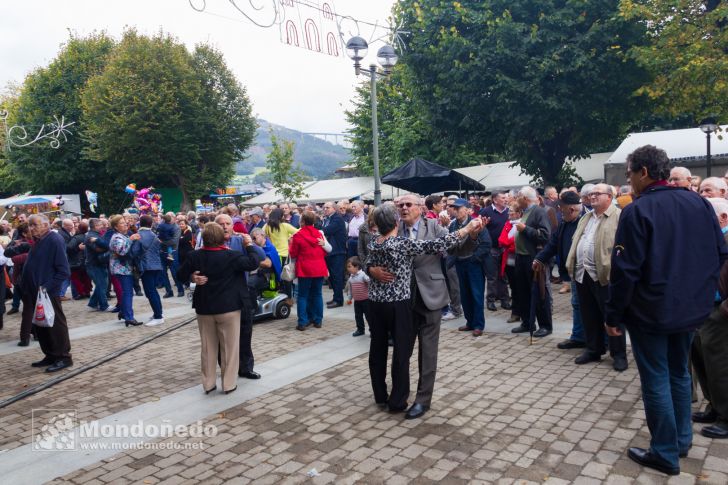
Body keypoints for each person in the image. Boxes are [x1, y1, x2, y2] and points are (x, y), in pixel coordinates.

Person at [606, 145, 728, 475]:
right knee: (678, 373)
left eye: (630, 173)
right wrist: (699, 292)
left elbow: (625, 271)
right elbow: (720, 253)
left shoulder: (637, 210)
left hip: (651, 313)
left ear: (643, 172)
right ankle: (681, 440)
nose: (629, 179)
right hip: (690, 310)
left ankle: (665, 451)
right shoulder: (698, 203)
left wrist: (613, 315)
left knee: (658, 378)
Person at [366, 203, 483, 415]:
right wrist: (371, 270)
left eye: (408, 204)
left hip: (429, 294)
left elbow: (455, 247)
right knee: (402, 352)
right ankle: (397, 396)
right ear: (395, 219)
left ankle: (422, 399)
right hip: (400, 303)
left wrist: (471, 235)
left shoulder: (434, 226)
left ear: (420, 207)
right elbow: (368, 258)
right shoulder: (395, 232)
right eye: (400, 205)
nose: (403, 208)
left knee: (427, 352)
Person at [178, 222, 262, 394]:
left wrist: (192, 277)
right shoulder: (232, 255)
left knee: (208, 348)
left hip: (205, 308)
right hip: (229, 308)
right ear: (222, 237)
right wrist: (250, 245)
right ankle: (228, 384)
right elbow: (253, 263)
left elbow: (179, 274)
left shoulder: (195, 256)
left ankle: (208, 384)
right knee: (229, 348)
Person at [565, 183, 627, 371]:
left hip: (606, 275)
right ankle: (594, 349)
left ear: (610, 196)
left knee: (611, 315)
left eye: (597, 194)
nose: (592, 197)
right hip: (582, 274)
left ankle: (618, 354)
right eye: (590, 194)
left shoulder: (619, 216)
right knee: (588, 314)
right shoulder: (586, 217)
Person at [11, 215, 73, 372]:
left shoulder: (54, 240)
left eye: (35, 225)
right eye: (30, 225)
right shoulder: (38, 241)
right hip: (33, 291)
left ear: (46, 225)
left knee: (55, 324)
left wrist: (46, 287)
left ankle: (63, 356)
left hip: (46, 291)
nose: (31, 228)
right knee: (41, 325)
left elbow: (63, 270)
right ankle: (51, 354)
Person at [689, 197, 728, 439]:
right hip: (702, 308)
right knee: (704, 363)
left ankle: (726, 416)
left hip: (720, 311)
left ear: (723, 217)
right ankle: (714, 406)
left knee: (721, 366)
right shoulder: (709, 237)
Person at [534, 191, 585, 346]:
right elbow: (553, 244)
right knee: (576, 304)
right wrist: (539, 258)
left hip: (584, 272)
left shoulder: (585, 222)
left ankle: (598, 340)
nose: (559, 212)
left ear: (571, 209)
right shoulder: (565, 223)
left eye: (561, 208)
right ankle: (578, 337)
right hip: (572, 272)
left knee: (584, 305)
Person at [510, 186, 552, 336]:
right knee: (523, 292)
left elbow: (545, 235)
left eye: (518, 196)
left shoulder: (539, 212)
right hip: (521, 257)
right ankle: (527, 322)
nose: (516, 199)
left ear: (525, 199)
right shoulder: (526, 212)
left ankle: (545, 325)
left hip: (533, 257)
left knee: (539, 292)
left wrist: (525, 229)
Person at [449, 198, 491, 337]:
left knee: (476, 294)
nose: (456, 210)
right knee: (464, 295)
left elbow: (486, 244)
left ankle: (478, 325)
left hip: (473, 264)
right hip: (460, 263)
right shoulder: (453, 225)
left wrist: (474, 259)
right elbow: (450, 243)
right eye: (454, 208)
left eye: (459, 208)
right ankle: (470, 322)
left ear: (467, 210)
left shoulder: (476, 223)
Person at [288, 211, 331, 331]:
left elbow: (293, 253)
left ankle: (302, 321)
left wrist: (290, 244)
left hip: (305, 268)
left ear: (302, 221)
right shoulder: (319, 234)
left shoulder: (298, 235)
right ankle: (318, 320)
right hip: (319, 266)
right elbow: (325, 250)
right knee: (317, 294)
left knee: (302, 295)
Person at [108, 215, 142, 327]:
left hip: (124, 268)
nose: (125, 224)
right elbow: (122, 252)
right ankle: (129, 317)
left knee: (126, 292)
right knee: (128, 293)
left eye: (125, 222)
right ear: (116, 227)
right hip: (121, 269)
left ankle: (124, 312)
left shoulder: (122, 235)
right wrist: (131, 239)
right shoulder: (117, 238)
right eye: (122, 223)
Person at [480, 190, 511, 311]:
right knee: (492, 276)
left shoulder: (508, 212)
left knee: (503, 276)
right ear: (495, 200)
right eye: (503, 197)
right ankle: (491, 300)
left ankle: (505, 300)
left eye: (506, 197)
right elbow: (481, 229)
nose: (505, 199)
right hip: (491, 249)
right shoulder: (486, 211)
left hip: (505, 249)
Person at [133, 215, 165, 327]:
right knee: (153, 291)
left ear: (139, 223)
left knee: (150, 292)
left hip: (147, 266)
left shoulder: (139, 235)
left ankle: (158, 316)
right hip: (156, 265)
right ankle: (159, 313)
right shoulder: (154, 235)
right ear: (151, 224)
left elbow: (134, 252)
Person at [264, 208, 298, 300]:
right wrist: (290, 236)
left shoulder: (267, 226)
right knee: (286, 277)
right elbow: (299, 232)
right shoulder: (285, 226)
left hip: (272, 255)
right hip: (284, 255)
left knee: (275, 277)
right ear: (280, 216)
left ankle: (277, 297)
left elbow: (261, 233)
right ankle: (288, 298)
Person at [498, 202, 523, 324]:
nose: (509, 213)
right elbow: (501, 240)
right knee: (514, 288)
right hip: (508, 263)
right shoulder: (508, 224)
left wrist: (508, 244)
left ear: (518, 213)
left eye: (511, 211)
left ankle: (523, 313)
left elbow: (516, 245)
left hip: (520, 262)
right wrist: (509, 243)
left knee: (521, 288)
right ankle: (516, 313)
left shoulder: (522, 224)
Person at [322, 201, 347, 308]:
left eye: (328, 207)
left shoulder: (337, 218)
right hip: (331, 251)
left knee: (337, 276)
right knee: (332, 277)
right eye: (324, 207)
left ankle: (339, 300)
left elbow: (327, 230)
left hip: (337, 252)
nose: (325, 209)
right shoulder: (328, 218)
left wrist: (319, 230)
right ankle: (335, 297)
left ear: (334, 208)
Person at [84, 218, 110, 312]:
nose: (102, 226)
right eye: (100, 225)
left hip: (99, 263)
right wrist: (108, 248)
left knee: (102, 284)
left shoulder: (97, 235)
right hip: (94, 264)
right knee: (101, 285)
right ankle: (104, 305)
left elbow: (105, 245)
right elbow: (98, 249)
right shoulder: (90, 236)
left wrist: (105, 245)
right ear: (95, 226)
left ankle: (93, 303)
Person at [345, 256, 370, 337]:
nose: (348, 268)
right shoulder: (351, 278)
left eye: (350, 266)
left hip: (366, 300)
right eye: (347, 267)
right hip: (357, 301)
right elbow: (350, 290)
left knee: (369, 316)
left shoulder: (363, 275)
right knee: (358, 316)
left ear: (357, 266)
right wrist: (349, 298)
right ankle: (360, 329)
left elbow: (370, 282)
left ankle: (372, 330)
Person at [67, 221, 92, 300]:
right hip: (86, 261)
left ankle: (81, 293)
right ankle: (87, 292)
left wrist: (77, 248)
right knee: (86, 277)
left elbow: (69, 247)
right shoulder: (88, 237)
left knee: (75, 278)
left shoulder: (76, 238)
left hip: (76, 262)